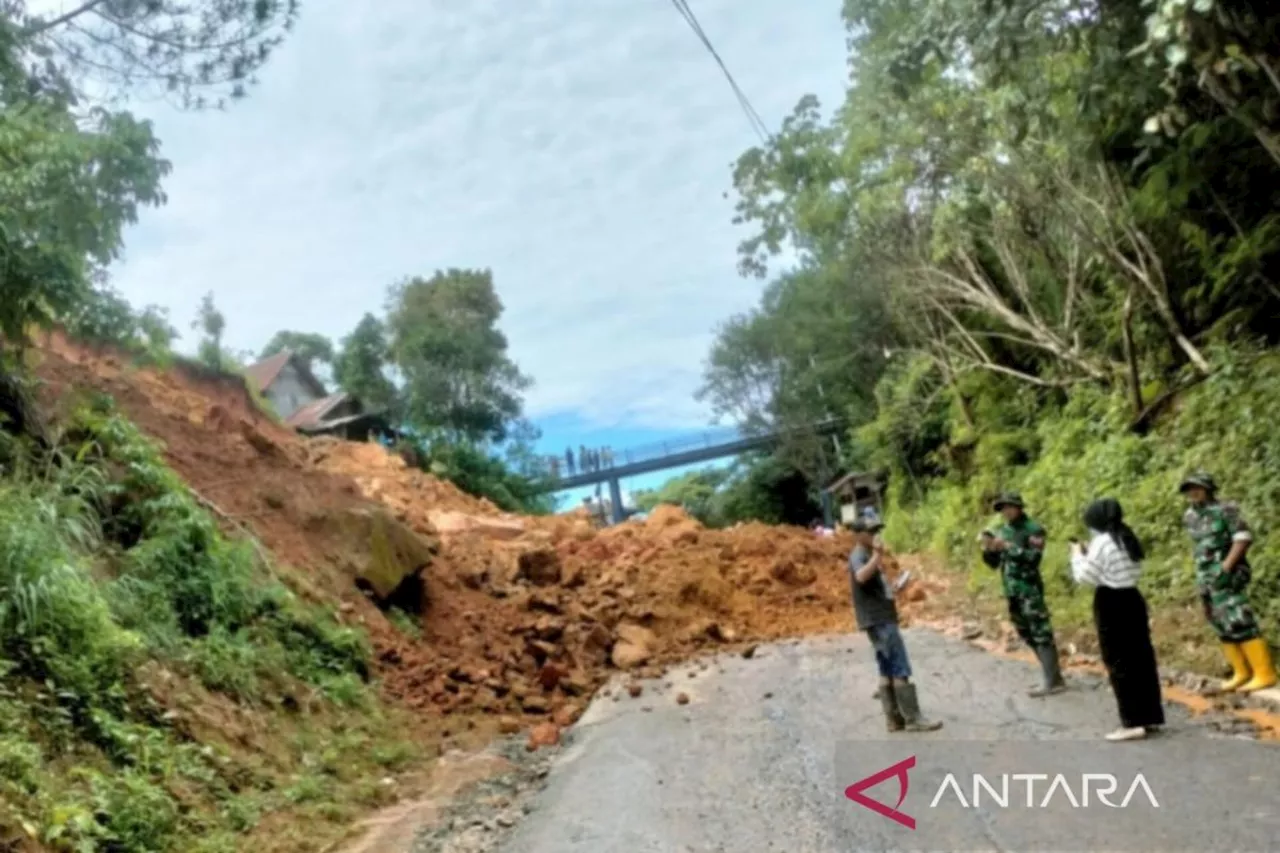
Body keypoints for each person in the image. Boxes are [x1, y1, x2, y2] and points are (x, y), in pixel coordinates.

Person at [1070, 498, 1165, 741]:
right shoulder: (1125, 535)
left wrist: (1077, 556)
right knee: (1141, 658)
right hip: (1133, 598)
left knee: (1119, 661)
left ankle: (1132, 722)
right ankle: (1150, 716)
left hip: (1111, 602)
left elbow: (1085, 577)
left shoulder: (1101, 541)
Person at [1180, 472, 1276, 692]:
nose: (1193, 493)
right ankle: (1241, 672)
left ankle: (1264, 672)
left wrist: (1226, 566)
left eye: (1197, 487)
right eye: (1189, 489)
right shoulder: (1190, 516)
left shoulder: (1226, 509)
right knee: (1219, 621)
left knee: (1238, 618)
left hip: (1228, 571)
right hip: (1205, 574)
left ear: (1208, 488)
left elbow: (1242, 538)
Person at [848, 517, 943, 733]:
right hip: (879, 619)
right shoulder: (860, 555)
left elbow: (871, 584)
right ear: (859, 534)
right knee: (899, 667)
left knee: (886, 667)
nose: (875, 535)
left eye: (876, 530)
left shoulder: (866, 555)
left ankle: (894, 719)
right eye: (870, 531)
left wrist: (894, 588)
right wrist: (878, 556)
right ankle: (913, 718)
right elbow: (861, 576)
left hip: (878, 616)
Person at [979, 491, 1066, 697]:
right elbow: (994, 564)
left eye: (1009, 507)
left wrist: (1009, 548)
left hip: (1030, 589)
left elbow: (1033, 558)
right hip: (1011, 590)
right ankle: (1052, 675)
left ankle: (1052, 681)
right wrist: (989, 549)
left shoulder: (1033, 530)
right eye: (1002, 509)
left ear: (1019, 507)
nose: (1006, 512)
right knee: (1024, 631)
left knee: (1040, 631)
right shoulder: (1002, 530)